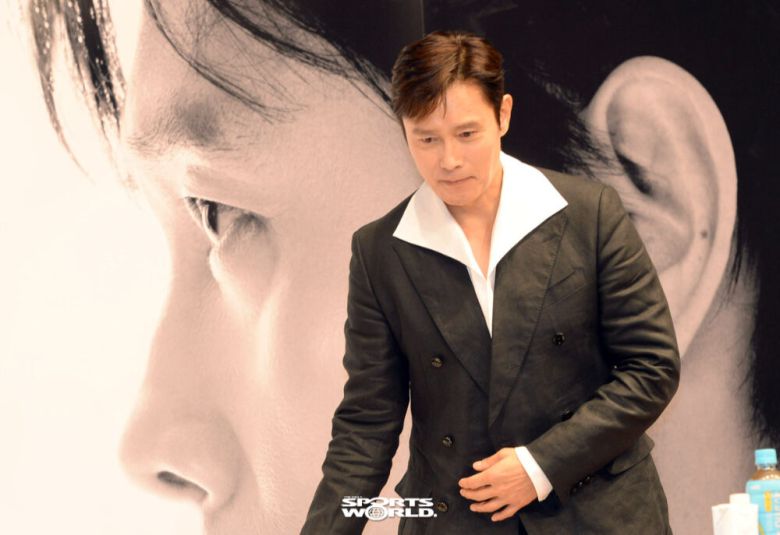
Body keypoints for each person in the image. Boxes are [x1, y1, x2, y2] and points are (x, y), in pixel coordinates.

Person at [303, 31, 680, 534]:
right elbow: (366, 424)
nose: (448, 160)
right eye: (426, 138)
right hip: (459, 517)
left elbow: (651, 368)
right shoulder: (380, 251)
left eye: (466, 133)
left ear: (503, 115)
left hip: (597, 513)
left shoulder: (588, 214)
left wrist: (540, 466)